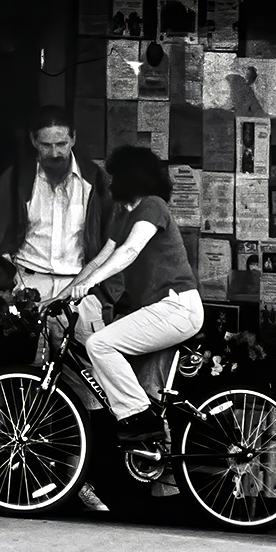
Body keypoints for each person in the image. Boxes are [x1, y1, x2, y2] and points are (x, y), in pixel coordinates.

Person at [68, 146, 204, 442]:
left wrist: (90, 284)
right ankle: (148, 431)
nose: (110, 183)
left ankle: (140, 418)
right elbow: (100, 260)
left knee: (100, 345)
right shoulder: (123, 215)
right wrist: (63, 295)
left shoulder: (153, 206)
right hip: (158, 310)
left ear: (130, 177)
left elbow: (130, 251)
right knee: (113, 359)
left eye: (115, 176)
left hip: (177, 307)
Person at [0, 107, 110, 306]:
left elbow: (110, 236)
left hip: (80, 285)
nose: (55, 153)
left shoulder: (94, 179)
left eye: (61, 144)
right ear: (34, 141)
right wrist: (4, 276)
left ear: (73, 139)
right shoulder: (16, 179)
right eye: (46, 145)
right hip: (27, 282)